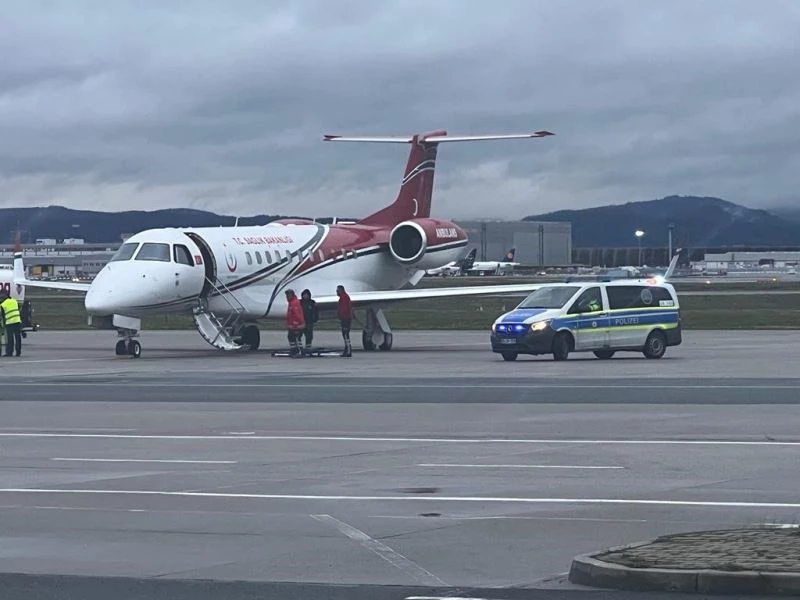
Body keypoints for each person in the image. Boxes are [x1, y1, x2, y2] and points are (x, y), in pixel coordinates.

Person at [284, 289, 305, 357]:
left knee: (296, 338)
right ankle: (294, 350)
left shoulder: (294, 303)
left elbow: (296, 314)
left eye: (288, 295)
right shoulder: (292, 302)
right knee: (291, 337)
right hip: (292, 324)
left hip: (295, 325)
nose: (287, 297)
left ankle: (298, 351)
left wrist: (296, 323)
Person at [0, 291, 22, 357]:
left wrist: (3, 326)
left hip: (9, 323)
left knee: (10, 339)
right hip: (17, 321)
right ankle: (18, 352)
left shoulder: (2, 304)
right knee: (18, 338)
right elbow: (18, 310)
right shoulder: (14, 301)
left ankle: (9, 353)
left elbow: (3, 316)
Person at [336, 284, 353, 358]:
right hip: (344, 319)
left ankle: (348, 350)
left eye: (337, 290)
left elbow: (345, 309)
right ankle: (347, 350)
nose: (336, 292)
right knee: (345, 335)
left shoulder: (344, 298)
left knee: (346, 335)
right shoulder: (343, 297)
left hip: (345, 319)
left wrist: (343, 317)